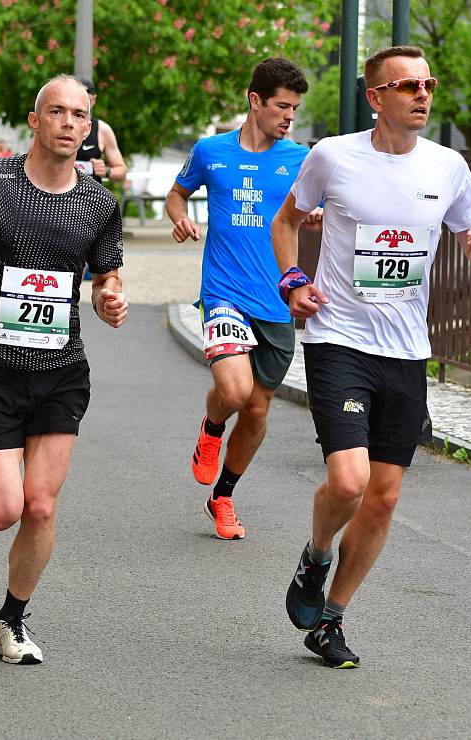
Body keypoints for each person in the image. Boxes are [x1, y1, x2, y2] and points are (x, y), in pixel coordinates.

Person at [271, 45, 471, 668]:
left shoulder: (448, 166)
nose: (421, 95)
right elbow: (286, 222)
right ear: (376, 98)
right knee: (350, 481)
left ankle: (332, 619)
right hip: (338, 337)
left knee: (385, 496)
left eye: (427, 84)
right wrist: (293, 281)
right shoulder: (332, 157)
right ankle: (316, 556)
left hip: (406, 349)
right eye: (406, 86)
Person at [0, 74, 127, 665]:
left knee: (40, 506)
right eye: (57, 112)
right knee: (0, 512)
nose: (69, 123)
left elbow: (106, 277)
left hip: (62, 369)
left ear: (88, 129)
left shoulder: (100, 204)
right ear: (35, 120)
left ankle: (9, 622)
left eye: (80, 116)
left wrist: (110, 297)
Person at [166, 57, 317, 540]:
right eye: (281, 106)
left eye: (294, 108)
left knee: (256, 409)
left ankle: (223, 496)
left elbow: (315, 209)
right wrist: (179, 216)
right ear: (255, 101)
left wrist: (310, 217)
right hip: (224, 292)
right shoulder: (211, 151)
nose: (289, 116)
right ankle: (211, 429)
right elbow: (176, 193)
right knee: (233, 393)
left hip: (277, 299)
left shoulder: (300, 159)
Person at [75, 78, 127, 184]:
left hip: (88, 197)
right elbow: (32, 158)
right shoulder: (55, 126)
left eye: (86, 97)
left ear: (93, 99)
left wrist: (107, 171)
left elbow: (122, 171)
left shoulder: (102, 130)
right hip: (56, 196)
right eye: (76, 97)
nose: (81, 103)